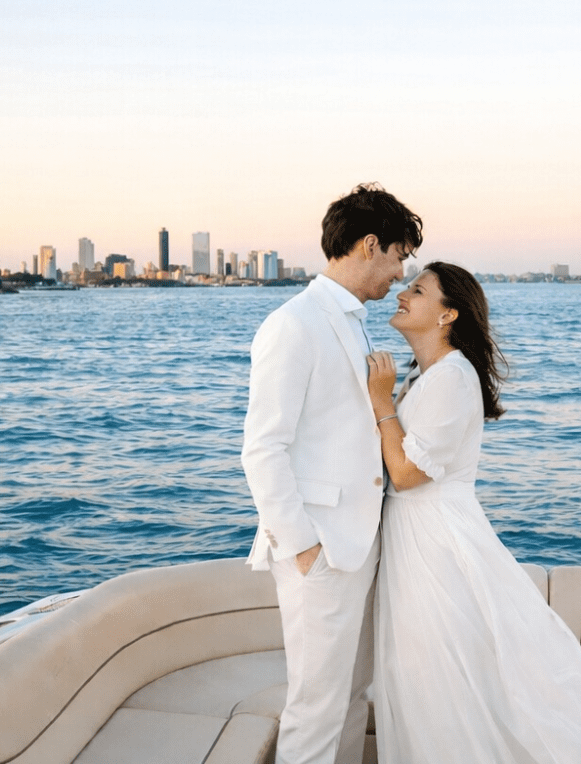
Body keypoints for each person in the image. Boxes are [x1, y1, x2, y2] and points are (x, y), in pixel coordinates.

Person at [365, 262, 581, 763]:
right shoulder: (427, 375)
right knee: (423, 674)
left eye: (417, 289)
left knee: (444, 673)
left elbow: (409, 474)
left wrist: (380, 402)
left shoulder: (453, 377)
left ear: (447, 314)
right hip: (415, 539)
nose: (401, 294)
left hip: (437, 542)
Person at [241, 184, 423, 764]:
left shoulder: (352, 320)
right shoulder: (294, 324)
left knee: (350, 698)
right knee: (316, 706)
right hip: (319, 549)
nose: (399, 273)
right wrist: (301, 547)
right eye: (398, 256)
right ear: (371, 245)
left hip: (358, 541)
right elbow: (262, 448)